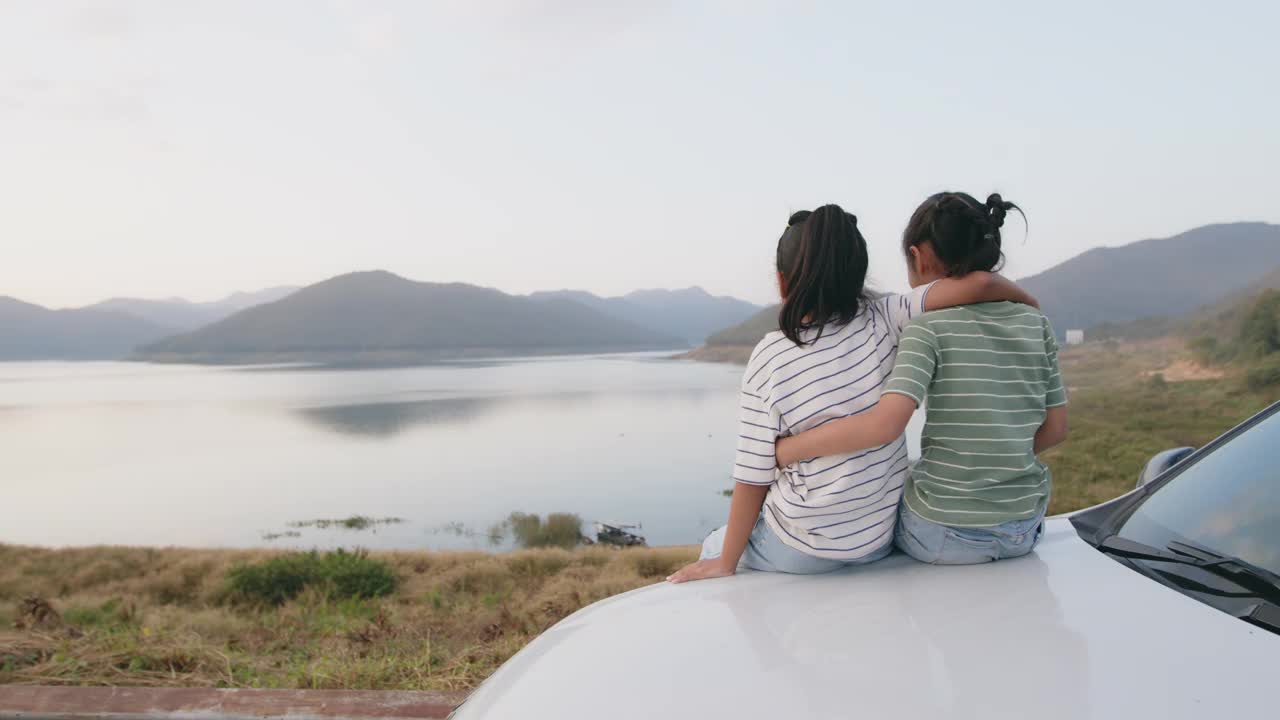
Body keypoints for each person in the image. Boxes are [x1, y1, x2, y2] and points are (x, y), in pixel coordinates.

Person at [667, 203, 1038, 583]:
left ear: (782, 283)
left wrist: (725, 561)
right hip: (875, 539)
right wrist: (1027, 300)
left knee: (714, 543)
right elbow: (981, 285)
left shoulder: (769, 356)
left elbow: (752, 474)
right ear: (859, 274)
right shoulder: (888, 316)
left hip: (801, 549)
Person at [773, 193, 1068, 565]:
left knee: (883, 514)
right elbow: (1056, 429)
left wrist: (786, 449)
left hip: (944, 533)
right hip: (1025, 526)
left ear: (919, 257)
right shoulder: (1036, 323)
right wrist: (999, 462)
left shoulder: (926, 328)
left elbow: (887, 424)